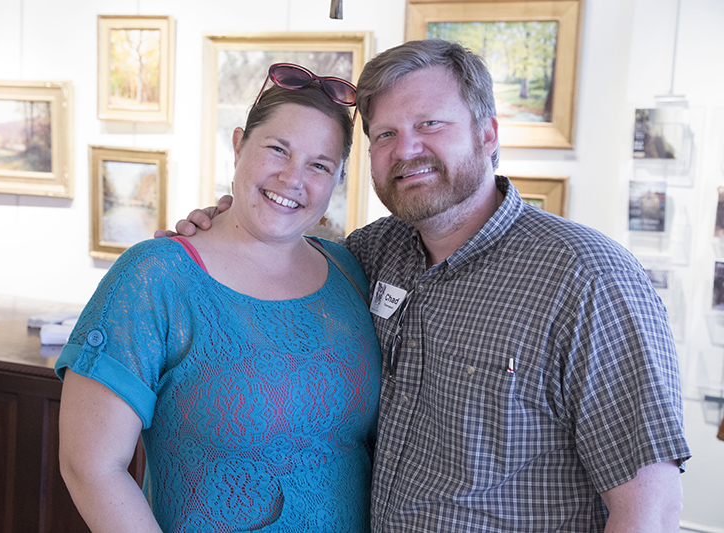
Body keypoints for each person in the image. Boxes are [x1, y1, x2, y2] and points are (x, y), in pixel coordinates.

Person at [166, 39, 692, 532]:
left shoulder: (586, 278)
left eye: (431, 124)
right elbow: (277, 257)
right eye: (385, 134)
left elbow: (652, 513)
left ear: (487, 135)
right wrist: (221, 227)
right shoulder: (370, 255)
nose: (405, 150)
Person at [56, 63, 382, 533]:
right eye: (277, 150)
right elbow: (90, 468)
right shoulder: (156, 277)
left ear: (337, 180)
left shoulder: (350, 273)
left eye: (319, 165)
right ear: (237, 146)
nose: (293, 178)